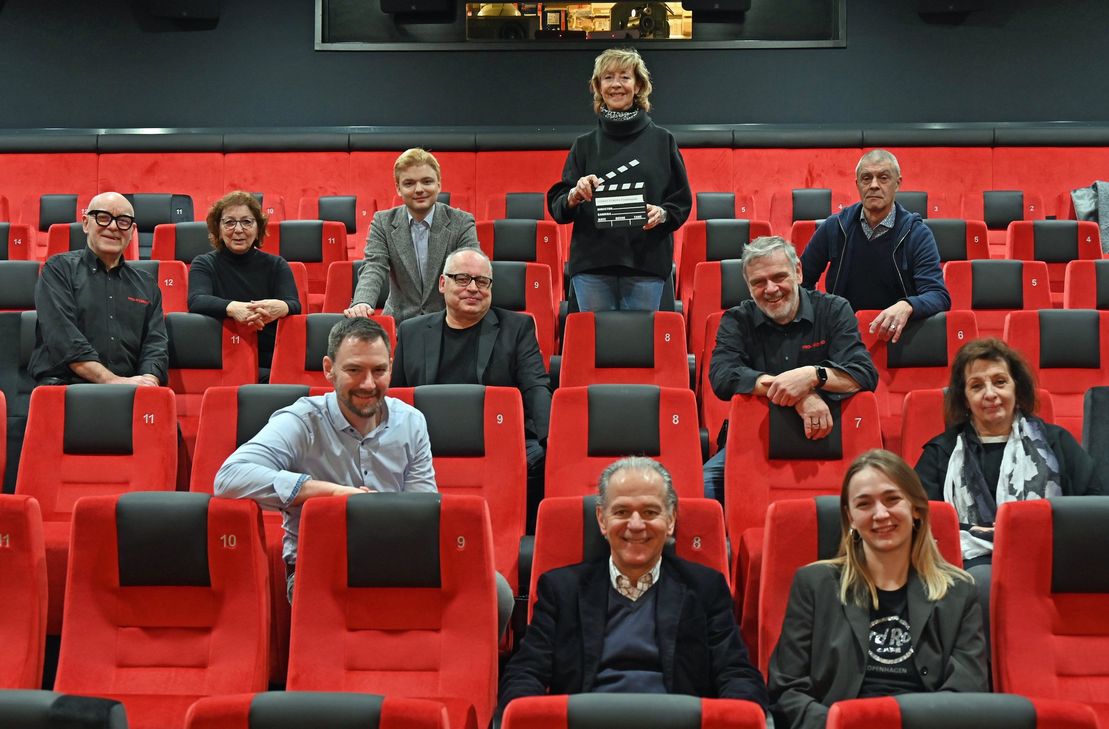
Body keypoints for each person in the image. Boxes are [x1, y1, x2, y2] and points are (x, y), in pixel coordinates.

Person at [499, 456, 768, 713]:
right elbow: (525, 673)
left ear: (671, 520)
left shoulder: (705, 587)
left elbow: (736, 673)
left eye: (650, 511)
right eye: (622, 511)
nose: (636, 524)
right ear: (602, 520)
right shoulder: (561, 589)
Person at [214, 317, 436, 600]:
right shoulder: (302, 420)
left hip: (396, 561)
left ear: (391, 367)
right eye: (354, 370)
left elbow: (423, 510)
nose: (368, 384)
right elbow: (229, 478)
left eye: (379, 370)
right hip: (319, 567)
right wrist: (328, 493)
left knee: (492, 591)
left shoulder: (411, 421)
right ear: (329, 370)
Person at [769, 449, 988, 729]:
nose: (880, 514)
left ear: (916, 509)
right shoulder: (814, 584)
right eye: (864, 504)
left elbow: (967, 692)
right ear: (850, 518)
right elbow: (786, 689)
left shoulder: (959, 591)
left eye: (892, 499)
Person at [914, 338, 1103, 630]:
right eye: (977, 386)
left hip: (1050, 557)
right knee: (984, 583)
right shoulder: (941, 451)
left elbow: (1092, 508)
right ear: (965, 399)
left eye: (1000, 382)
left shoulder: (1055, 442)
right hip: (969, 563)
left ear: (1017, 387)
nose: (990, 394)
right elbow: (924, 521)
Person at [702, 236, 878, 504]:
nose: (771, 289)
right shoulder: (737, 320)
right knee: (697, 493)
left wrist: (812, 376)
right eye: (758, 282)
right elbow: (723, 377)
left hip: (828, 435)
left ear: (798, 272)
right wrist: (797, 393)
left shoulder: (834, 310)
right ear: (748, 287)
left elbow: (863, 374)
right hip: (754, 438)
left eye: (779, 277)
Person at [391, 247, 551, 530]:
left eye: (482, 281)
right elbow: (396, 398)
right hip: (427, 441)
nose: (473, 288)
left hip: (497, 440)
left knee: (538, 457)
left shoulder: (517, 327)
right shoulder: (411, 331)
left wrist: (552, 441)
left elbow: (536, 387)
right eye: (462, 279)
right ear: (443, 284)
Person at [547, 47, 691, 312]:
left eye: (624, 77)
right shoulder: (584, 145)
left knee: (639, 349)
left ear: (638, 86)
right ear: (598, 87)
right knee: (594, 348)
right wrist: (574, 195)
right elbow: (558, 207)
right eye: (608, 77)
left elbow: (680, 202)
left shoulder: (663, 141)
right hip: (592, 265)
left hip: (646, 265)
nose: (616, 85)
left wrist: (662, 214)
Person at [800, 149, 950, 343]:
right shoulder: (835, 227)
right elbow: (801, 280)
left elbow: (938, 296)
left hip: (898, 336)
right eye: (866, 178)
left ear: (898, 183)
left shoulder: (917, 234)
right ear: (857, 184)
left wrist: (907, 305)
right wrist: (821, 313)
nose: (874, 185)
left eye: (883, 178)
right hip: (843, 334)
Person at [29, 191, 168, 386]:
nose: (113, 227)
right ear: (86, 223)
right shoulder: (58, 269)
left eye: (123, 221)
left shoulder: (146, 284)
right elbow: (63, 337)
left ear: (132, 230)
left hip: (129, 387)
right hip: (66, 387)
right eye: (103, 218)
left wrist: (148, 381)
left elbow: (155, 345)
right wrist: (111, 381)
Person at [345, 148, 479, 323]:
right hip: (400, 323)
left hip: (449, 322)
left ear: (439, 185)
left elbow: (470, 271)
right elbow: (374, 266)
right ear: (398, 188)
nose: (419, 189)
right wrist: (362, 301)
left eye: (427, 181)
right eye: (409, 183)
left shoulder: (461, 222)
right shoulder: (382, 222)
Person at [188, 190, 301, 382]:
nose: (238, 230)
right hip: (223, 359)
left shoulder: (277, 265)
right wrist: (234, 308)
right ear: (218, 228)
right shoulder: (204, 263)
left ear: (258, 228)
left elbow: (294, 305)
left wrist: (280, 308)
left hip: (269, 362)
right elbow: (197, 300)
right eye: (230, 222)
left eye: (247, 222)